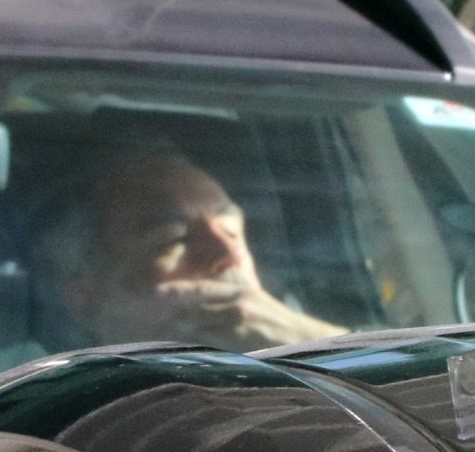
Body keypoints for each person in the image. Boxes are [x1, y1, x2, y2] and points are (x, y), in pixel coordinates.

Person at [50, 147, 344, 353]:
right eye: (173, 238)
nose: (228, 255)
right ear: (87, 303)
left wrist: (303, 343)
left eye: (232, 230)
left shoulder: (305, 360)